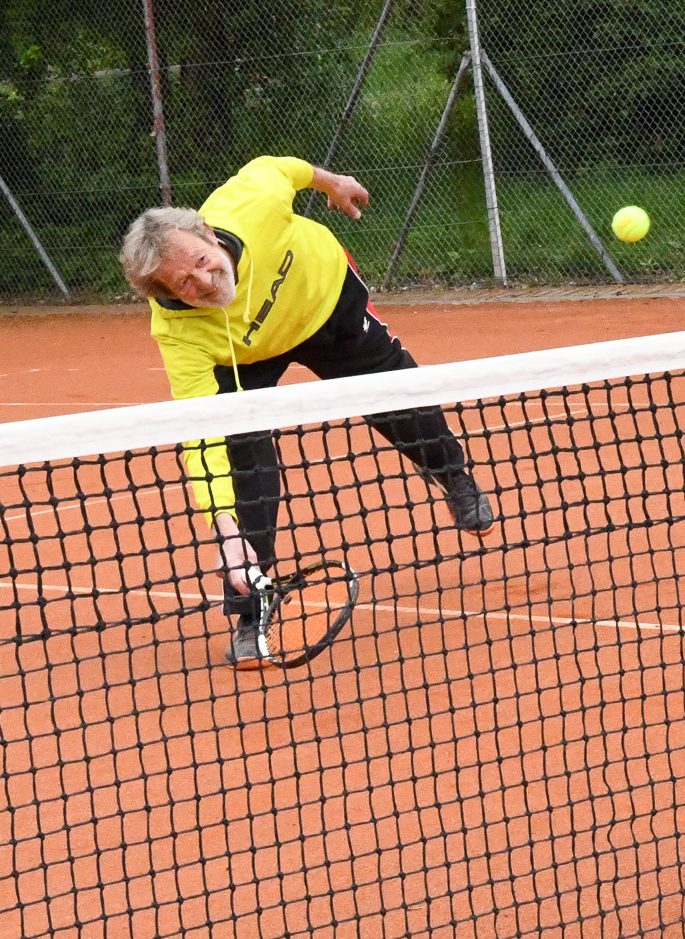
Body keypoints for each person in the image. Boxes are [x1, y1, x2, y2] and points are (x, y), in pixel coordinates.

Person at [120, 155, 494, 670]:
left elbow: (282, 167)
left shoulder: (251, 201)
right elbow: (199, 439)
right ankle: (252, 611)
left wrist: (335, 182)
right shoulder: (180, 334)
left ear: (207, 232)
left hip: (324, 299)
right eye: (183, 283)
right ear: (165, 294)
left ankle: (454, 476)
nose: (204, 280)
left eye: (201, 260)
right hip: (243, 352)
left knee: (398, 397)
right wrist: (227, 535)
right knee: (240, 456)